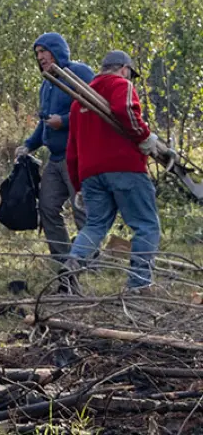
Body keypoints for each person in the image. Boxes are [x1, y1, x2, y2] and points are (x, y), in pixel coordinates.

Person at [64, 50, 167, 294]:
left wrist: (78, 185)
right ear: (124, 69)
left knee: (95, 225)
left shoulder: (80, 99)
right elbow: (126, 110)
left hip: (91, 174)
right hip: (125, 168)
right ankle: (139, 284)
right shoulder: (121, 84)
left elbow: (72, 150)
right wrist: (144, 137)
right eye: (130, 74)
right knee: (146, 225)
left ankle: (72, 264)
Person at [14, 33, 94, 260]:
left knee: (82, 211)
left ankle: (89, 261)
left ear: (57, 50)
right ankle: (63, 259)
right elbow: (44, 123)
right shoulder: (46, 83)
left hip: (77, 157)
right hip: (56, 158)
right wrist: (28, 145)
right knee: (47, 208)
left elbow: (93, 108)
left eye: (44, 51)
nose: (40, 57)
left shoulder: (79, 73)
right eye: (37, 53)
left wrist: (65, 121)